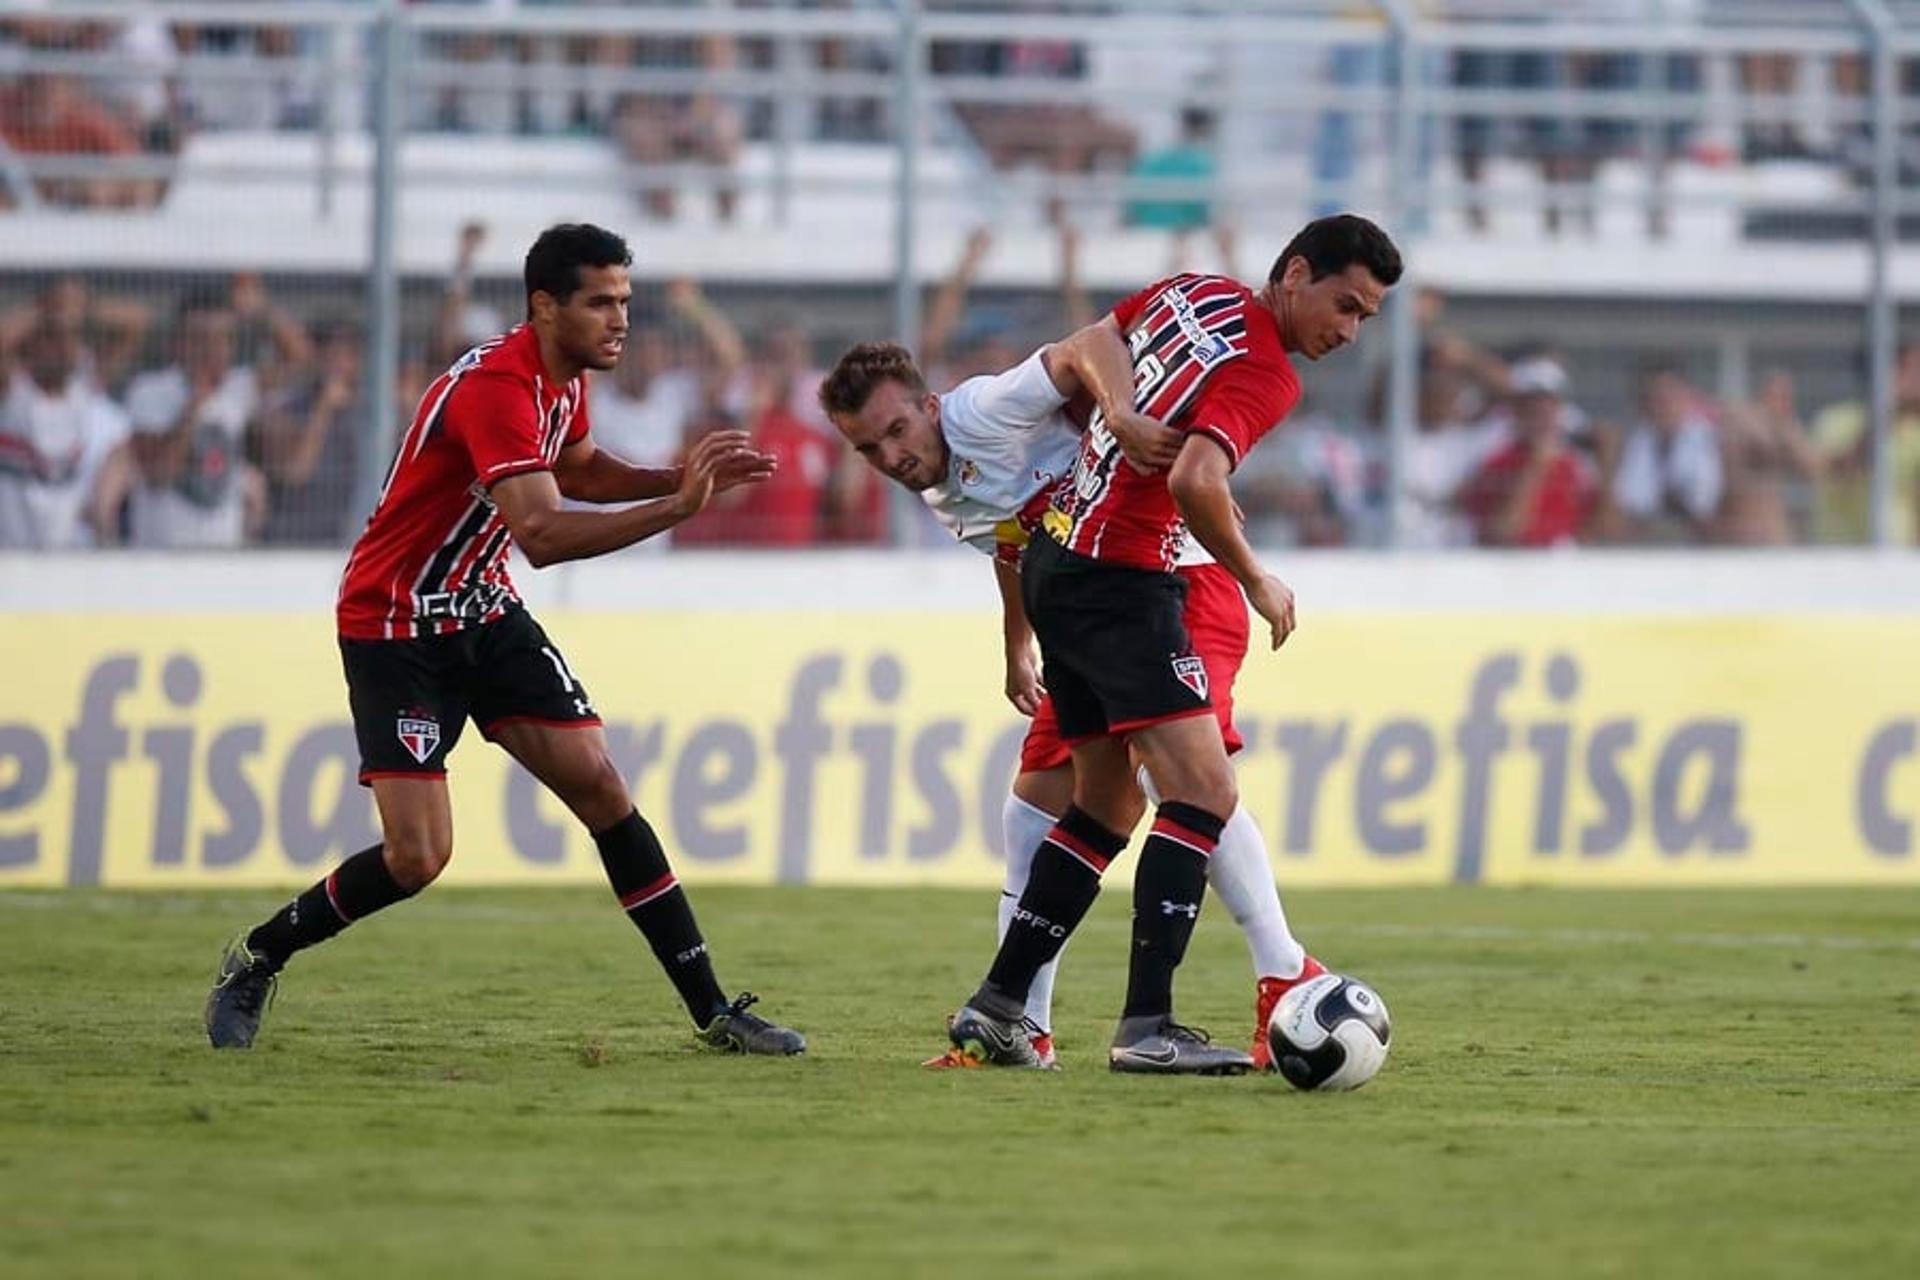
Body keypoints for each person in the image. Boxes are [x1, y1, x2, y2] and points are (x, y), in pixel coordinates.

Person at [204, 224, 805, 1058]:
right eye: (601, 303)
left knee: (601, 787)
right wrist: (677, 510)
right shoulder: (497, 386)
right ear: (545, 306)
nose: (619, 320)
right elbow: (546, 532)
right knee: (417, 857)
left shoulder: (559, 376)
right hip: (397, 622)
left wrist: (676, 476)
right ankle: (257, 956)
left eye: (625, 301)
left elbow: (582, 469)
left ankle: (713, 1013)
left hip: (483, 608)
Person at [937, 214, 1402, 1073]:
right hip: (1122, 581)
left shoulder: (1199, 293)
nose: (1348, 330)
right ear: (1295, 272)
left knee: (1106, 805)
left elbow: (1090, 339)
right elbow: (1195, 477)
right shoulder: (1266, 371)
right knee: (1202, 793)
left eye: (1366, 318)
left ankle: (999, 1006)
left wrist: (1116, 408)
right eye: (1345, 305)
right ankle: (1147, 1026)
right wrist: (1257, 576)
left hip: (1056, 559)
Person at [821, 337, 1328, 1072]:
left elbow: (1086, 346)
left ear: (929, 407)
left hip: (1181, 580)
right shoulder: (939, 485)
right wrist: (1014, 646)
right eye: (868, 449)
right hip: (1084, 605)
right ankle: (1016, 1021)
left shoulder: (988, 410)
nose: (891, 456)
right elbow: (1011, 544)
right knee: (1041, 807)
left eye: (897, 431)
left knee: (1184, 783)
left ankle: (1280, 972)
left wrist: (1120, 414)